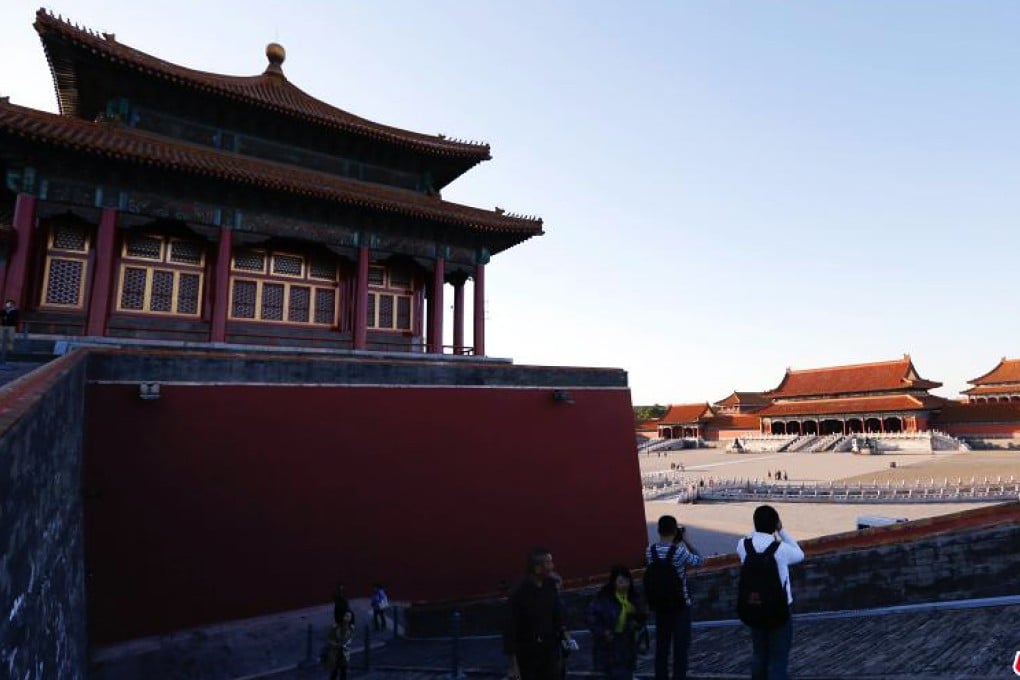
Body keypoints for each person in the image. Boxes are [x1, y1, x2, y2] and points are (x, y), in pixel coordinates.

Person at [736, 505, 805, 680]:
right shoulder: (780, 549)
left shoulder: (743, 545)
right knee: (778, 660)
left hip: (754, 606)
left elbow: (751, 539)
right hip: (779, 610)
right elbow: (800, 554)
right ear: (775, 524)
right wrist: (781, 531)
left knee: (759, 655)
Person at [646, 515, 703, 680]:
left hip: (660, 606)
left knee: (662, 648)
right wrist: (687, 541)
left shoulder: (650, 551)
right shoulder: (680, 551)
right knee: (680, 649)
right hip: (680, 607)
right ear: (675, 531)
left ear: (658, 530)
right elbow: (699, 561)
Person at [505, 547, 575, 680]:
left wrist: (565, 634)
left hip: (550, 650)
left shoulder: (551, 586)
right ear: (537, 568)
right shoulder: (519, 593)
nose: (552, 566)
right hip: (527, 653)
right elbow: (510, 628)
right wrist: (513, 665)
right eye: (548, 563)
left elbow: (557, 614)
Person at [586, 565, 648, 680]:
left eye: (627, 581)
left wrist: (637, 623)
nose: (624, 584)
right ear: (614, 582)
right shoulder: (603, 599)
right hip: (608, 646)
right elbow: (592, 619)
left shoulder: (634, 598)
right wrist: (603, 632)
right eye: (621, 582)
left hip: (626, 645)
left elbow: (642, 619)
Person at [326, 609, 354, 680]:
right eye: (346, 616)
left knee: (343, 672)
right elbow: (329, 639)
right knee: (334, 672)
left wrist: (345, 645)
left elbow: (349, 640)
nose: (347, 618)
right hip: (335, 654)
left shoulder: (350, 629)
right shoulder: (336, 627)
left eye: (348, 616)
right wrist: (335, 644)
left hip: (344, 654)